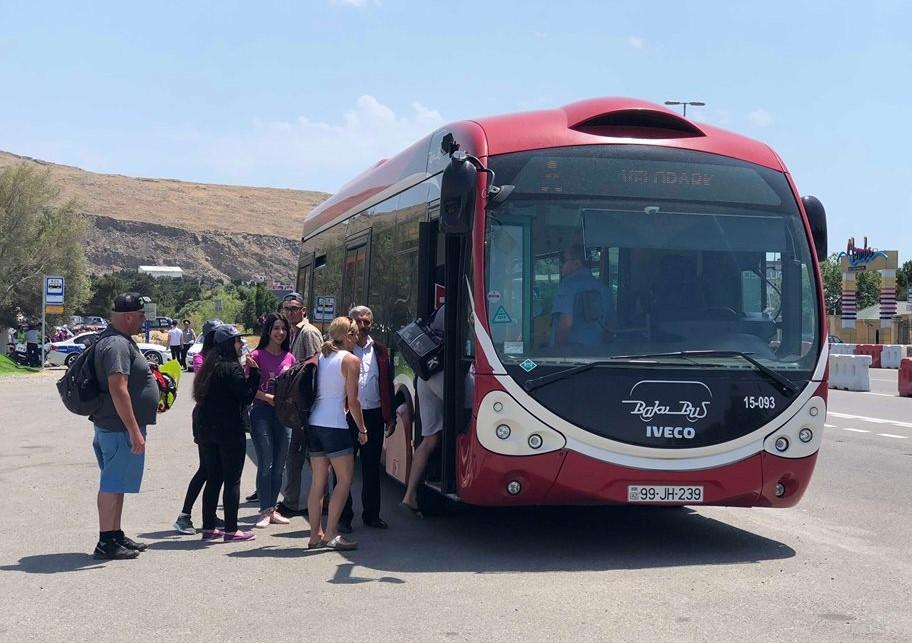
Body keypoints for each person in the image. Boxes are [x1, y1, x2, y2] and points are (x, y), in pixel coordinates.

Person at [90, 292, 159, 560]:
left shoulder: (117, 341)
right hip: (118, 428)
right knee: (111, 483)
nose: (143, 320)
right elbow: (118, 389)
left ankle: (114, 534)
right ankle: (106, 541)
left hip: (114, 426)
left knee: (116, 483)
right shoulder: (117, 345)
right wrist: (133, 430)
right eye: (141, 316)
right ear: (129, 316)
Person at [194, 325, 261, 542]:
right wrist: (255, 373)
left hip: (207, 429)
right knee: (232, 480)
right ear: (229, 344)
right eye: (238, 341)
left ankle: (208, 527)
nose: (241, 345)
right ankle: (232, 529)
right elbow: (246, 397)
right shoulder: (232, 368)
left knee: (213, 477)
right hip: (229, 430)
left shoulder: (209, 367)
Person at [305, 316, 366, 550]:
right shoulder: (350, 360)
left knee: (318, 483)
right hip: (336, 425)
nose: (357, 338)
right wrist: (362, 428)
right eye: (355, 334)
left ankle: (314, 535)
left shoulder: (321, 356)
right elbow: (353, 401)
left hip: (314, 422)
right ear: (348, 335)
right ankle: (331, 532)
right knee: (344, 480)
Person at [340, 305, 395, 531]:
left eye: (366, 322)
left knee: (372, 467)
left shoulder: (381, 350)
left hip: (373, 415)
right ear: (350, 322)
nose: (362, 326)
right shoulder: (342, 350)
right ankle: (343, 517)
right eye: (358, 322)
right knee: (345, 469)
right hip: (346, 415)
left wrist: (389, 415)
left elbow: (387, 383)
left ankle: (372, 515)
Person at [274, 292, 324, 519]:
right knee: (300, 456)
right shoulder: (292, 333)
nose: (290, 312)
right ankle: (298, 500)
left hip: (306, 407)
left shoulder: (309, 332)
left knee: (303, 456)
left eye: (294, 308)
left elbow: (316, 367)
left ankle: (294, 503)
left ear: (303, 310)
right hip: (296, 405)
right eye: (287, 309)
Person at [173, 320, 223, 534]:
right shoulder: (201, 358)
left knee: (217, 470)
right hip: (205, 419)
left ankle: (210, 514)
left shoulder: (222, 358)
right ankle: (184, 516)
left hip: (219, 418)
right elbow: (209, 383)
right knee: (206, 469)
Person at [249, 313, 296, 528]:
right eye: (276, 328)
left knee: (279, 465)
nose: (280, 333)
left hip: (283, 416)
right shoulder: (256, 356)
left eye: (283, 329)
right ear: (268, 331)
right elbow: (249, 389)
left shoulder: (290, 357)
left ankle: (273, 509)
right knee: (265, 463)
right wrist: (269, 398)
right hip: (261, 414)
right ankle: (265, 510)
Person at [402, 304, 446, 515]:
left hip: (426, 374)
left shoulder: (439, 309)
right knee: (475, 414)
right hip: (442, 373)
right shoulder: (465, 303)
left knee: (429, 439)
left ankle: (409, 495)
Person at [550, 244, 612, 347]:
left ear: (577, 263)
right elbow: (610, 326)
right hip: (597, 354)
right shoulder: (604, 289)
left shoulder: (568, 286)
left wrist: (556, 353)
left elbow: (566, 324)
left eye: (563, 260)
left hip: (571, 356)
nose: (561, 265)